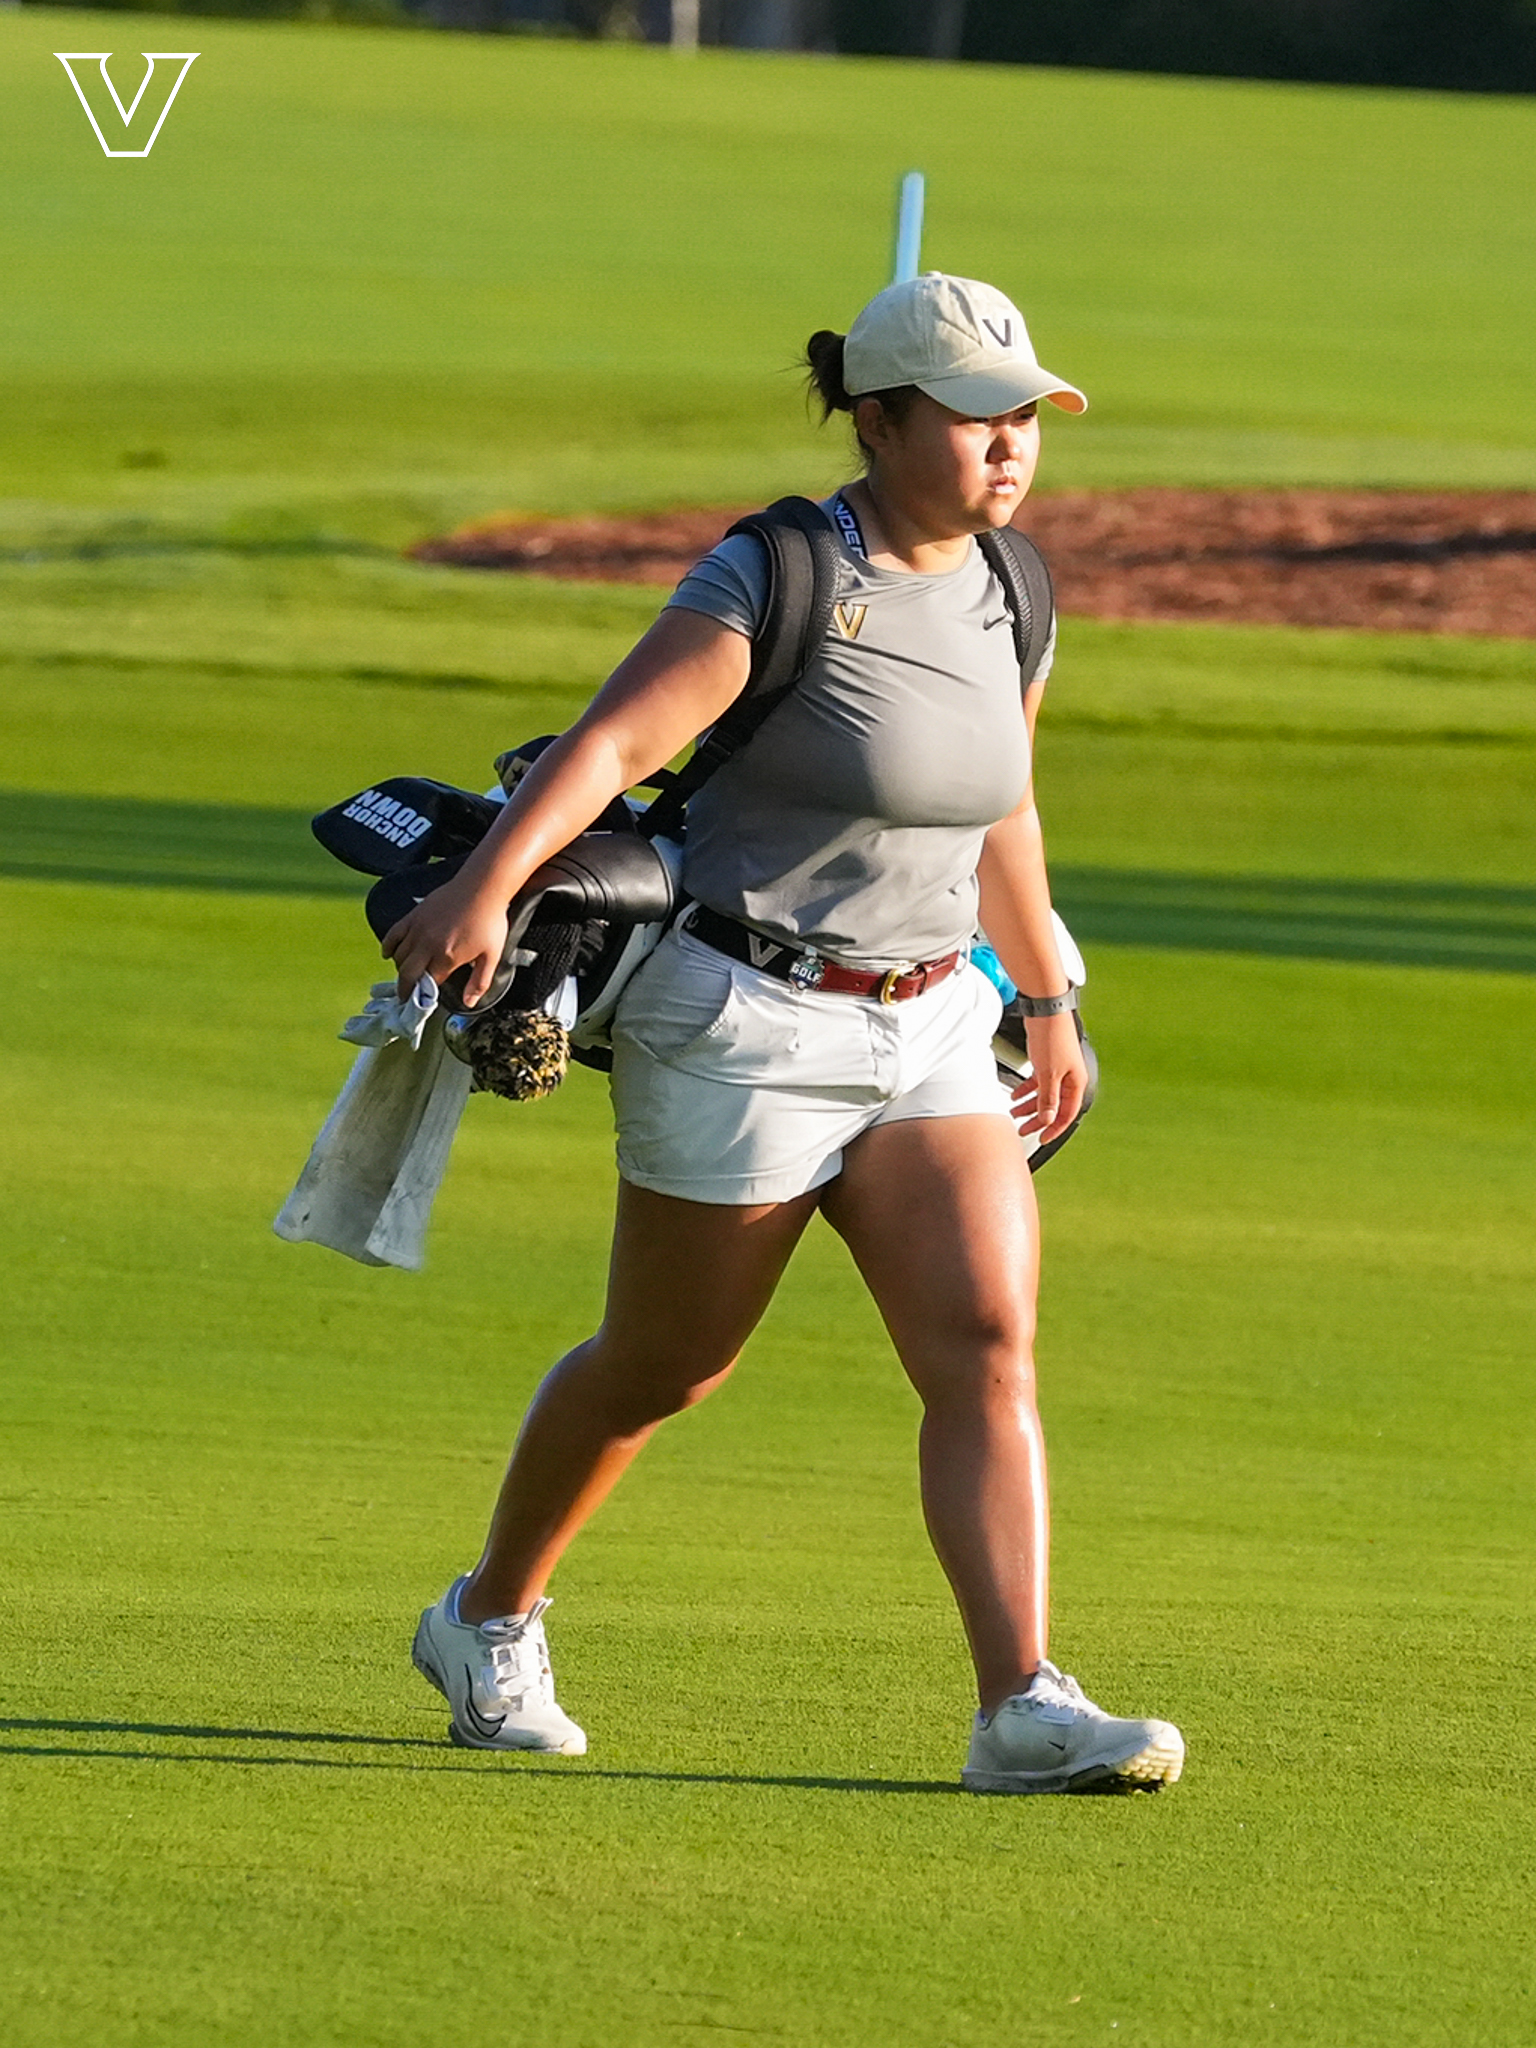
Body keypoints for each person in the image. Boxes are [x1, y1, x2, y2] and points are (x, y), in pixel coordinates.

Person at [386, 273, 1184, 1794]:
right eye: (974, 417)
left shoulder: (1016, 589)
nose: (1009, 445)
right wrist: (486, 889)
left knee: (988, 1345)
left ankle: (1020, 1703)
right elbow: (616, 741)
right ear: (878, 423)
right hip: (747, 1017)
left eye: (1025, 416)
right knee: (665, 1365)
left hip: (933, 1020)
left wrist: (1046, 995)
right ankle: (485, 1617)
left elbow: (1001, 804)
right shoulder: (781, 570)